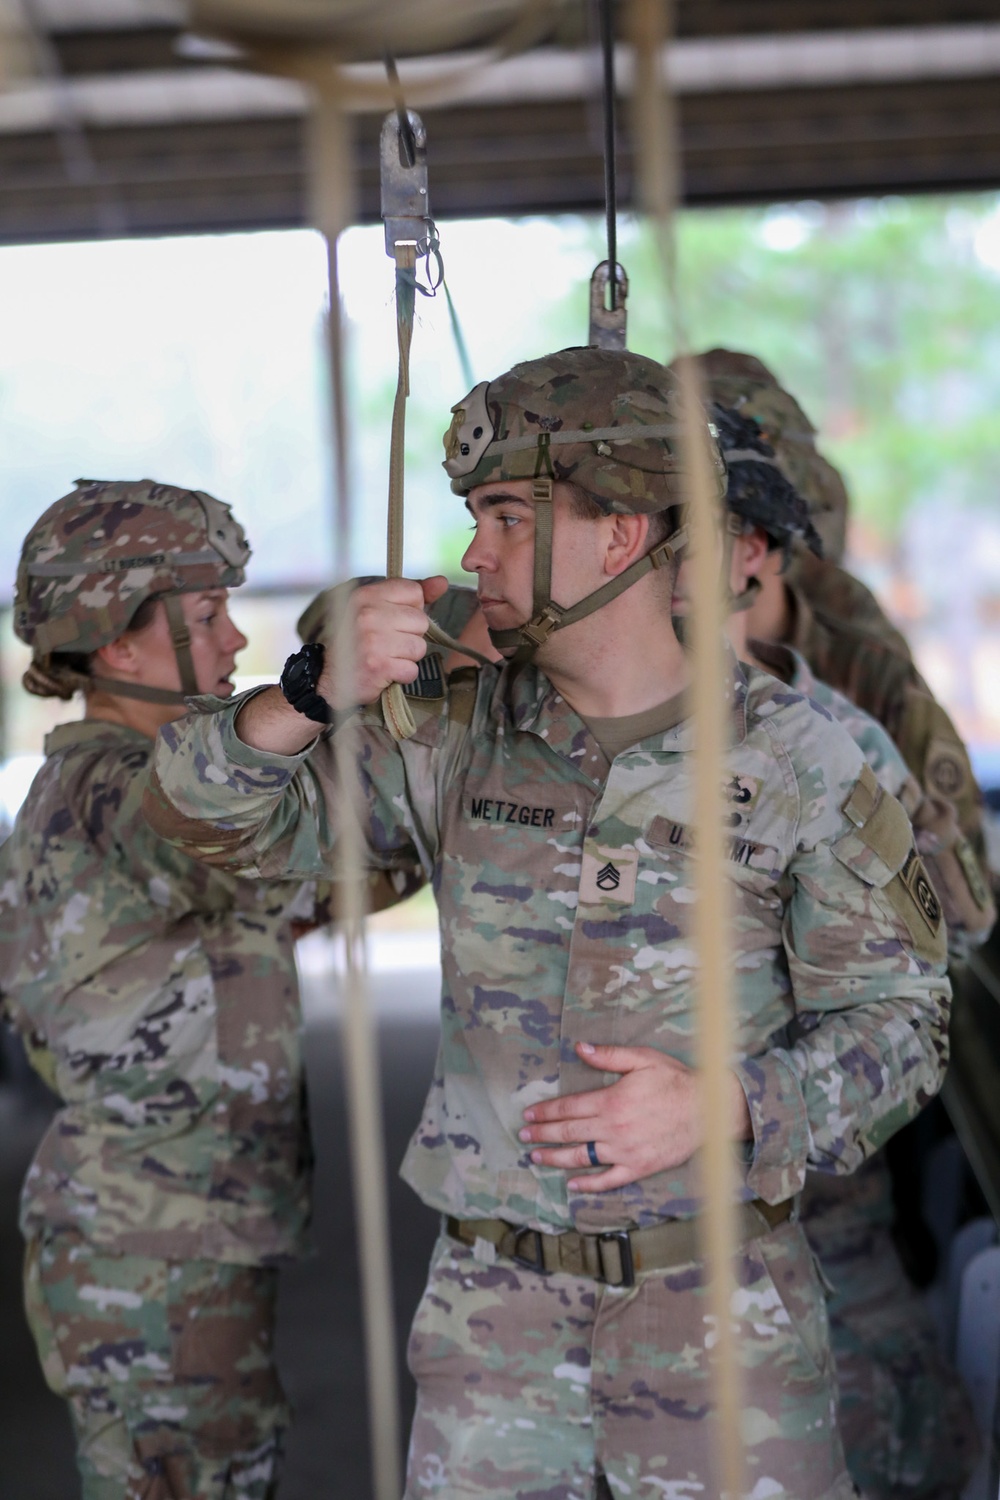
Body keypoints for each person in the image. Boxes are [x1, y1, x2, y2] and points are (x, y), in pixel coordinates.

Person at [144, 348, 951, 1500]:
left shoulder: (801, 759)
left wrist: (726, 1104)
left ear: (620, 534)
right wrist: (308, 695)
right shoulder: (450, 735)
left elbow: (902, 1027)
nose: (474, 554)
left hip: (721, 1322)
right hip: (494, 1329)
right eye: (475, 518)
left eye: (508, 517)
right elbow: (196, 832)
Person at [0, 479, 414, 1500]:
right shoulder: (103, 793)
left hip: (194, 1239)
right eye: (203, 617)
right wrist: (313, 694)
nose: (234, 641)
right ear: (116, 645)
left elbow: (340, 864)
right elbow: (204, 808)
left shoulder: (176, 794)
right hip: (147, 1255)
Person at [685, 405, 983, 1499]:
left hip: (807, 1209)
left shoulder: (832, 739)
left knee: (870, 1440)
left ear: (752, 554)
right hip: (618, 1243)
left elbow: (934, 959)